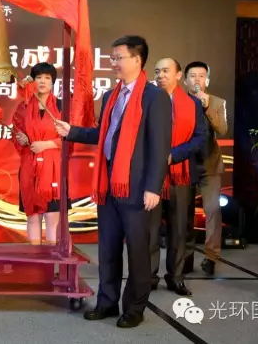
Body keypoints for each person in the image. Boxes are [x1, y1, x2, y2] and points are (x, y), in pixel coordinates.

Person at [54, 35, 171, 328]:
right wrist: (72, 131)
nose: (113, 63)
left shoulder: (154, 97)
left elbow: (160, 146)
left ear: (137, 60)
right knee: (107, 249)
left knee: (138, 252)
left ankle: (134, 308)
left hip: (137, 188)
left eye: (118, 57)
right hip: (108, 186)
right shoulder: (111, 96)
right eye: (112, 57)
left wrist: (153, 187)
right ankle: (107, 302)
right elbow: (104, 135)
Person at [150, 58, 207, 297]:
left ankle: (176, 277)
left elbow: (200, 137)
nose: (160, 75)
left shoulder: (193, 104)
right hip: (152, 175)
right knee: (150, 230)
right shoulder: (148, 100)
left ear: (178, 75)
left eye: (166, 71)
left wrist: (174, 155)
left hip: (181, 173)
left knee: (180, 230)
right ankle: (149, 277)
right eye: (157, 71)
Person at [184, 61, 228, 275]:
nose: (197, 80)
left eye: (201, 76)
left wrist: (207, 107)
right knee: (184, 213)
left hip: (210, 164)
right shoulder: (179, 102)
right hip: (186, 164)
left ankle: (211, 257)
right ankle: (186, 257)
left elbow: (222, 129)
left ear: (207, 81)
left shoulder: (218, 102)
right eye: (192, 76)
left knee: (213, 211)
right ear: (185, 80)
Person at [13, 63, 63, 245]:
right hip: (30, 168)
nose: (42, 81)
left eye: (47, 78)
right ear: (32, 81)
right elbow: (16, 133)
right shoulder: (24, 107)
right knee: (33, 217)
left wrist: (47, 144)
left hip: (53, 169)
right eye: (38, 77)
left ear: (53, 82)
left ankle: (51, 260)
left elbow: (69, 139)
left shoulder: (61, 106)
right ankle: (36, 260)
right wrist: (20, 139)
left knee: (52, 218)